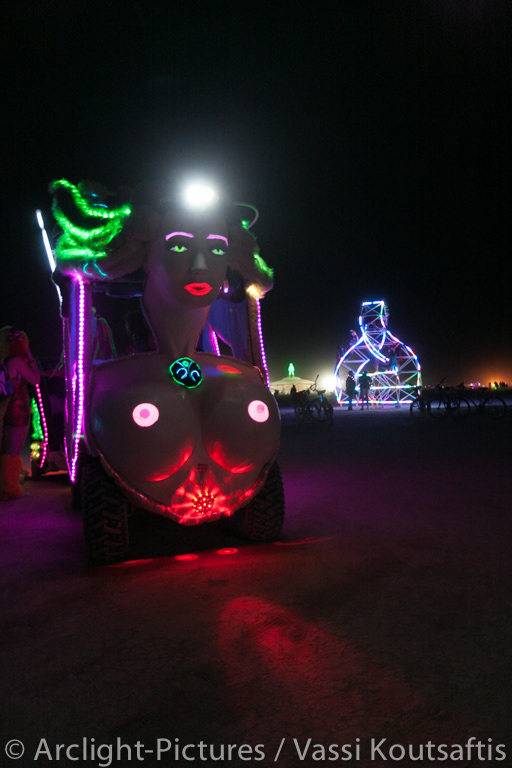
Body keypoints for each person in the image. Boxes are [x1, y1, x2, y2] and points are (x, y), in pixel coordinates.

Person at [0, 327, 40, 499]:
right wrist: (29, 355)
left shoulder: (3, 360)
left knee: (4, 450)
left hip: (4, 409)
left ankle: (4, 485)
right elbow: (35, 379)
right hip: (17, 410)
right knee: (13, 453)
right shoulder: (16, 361)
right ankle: (10, 490)